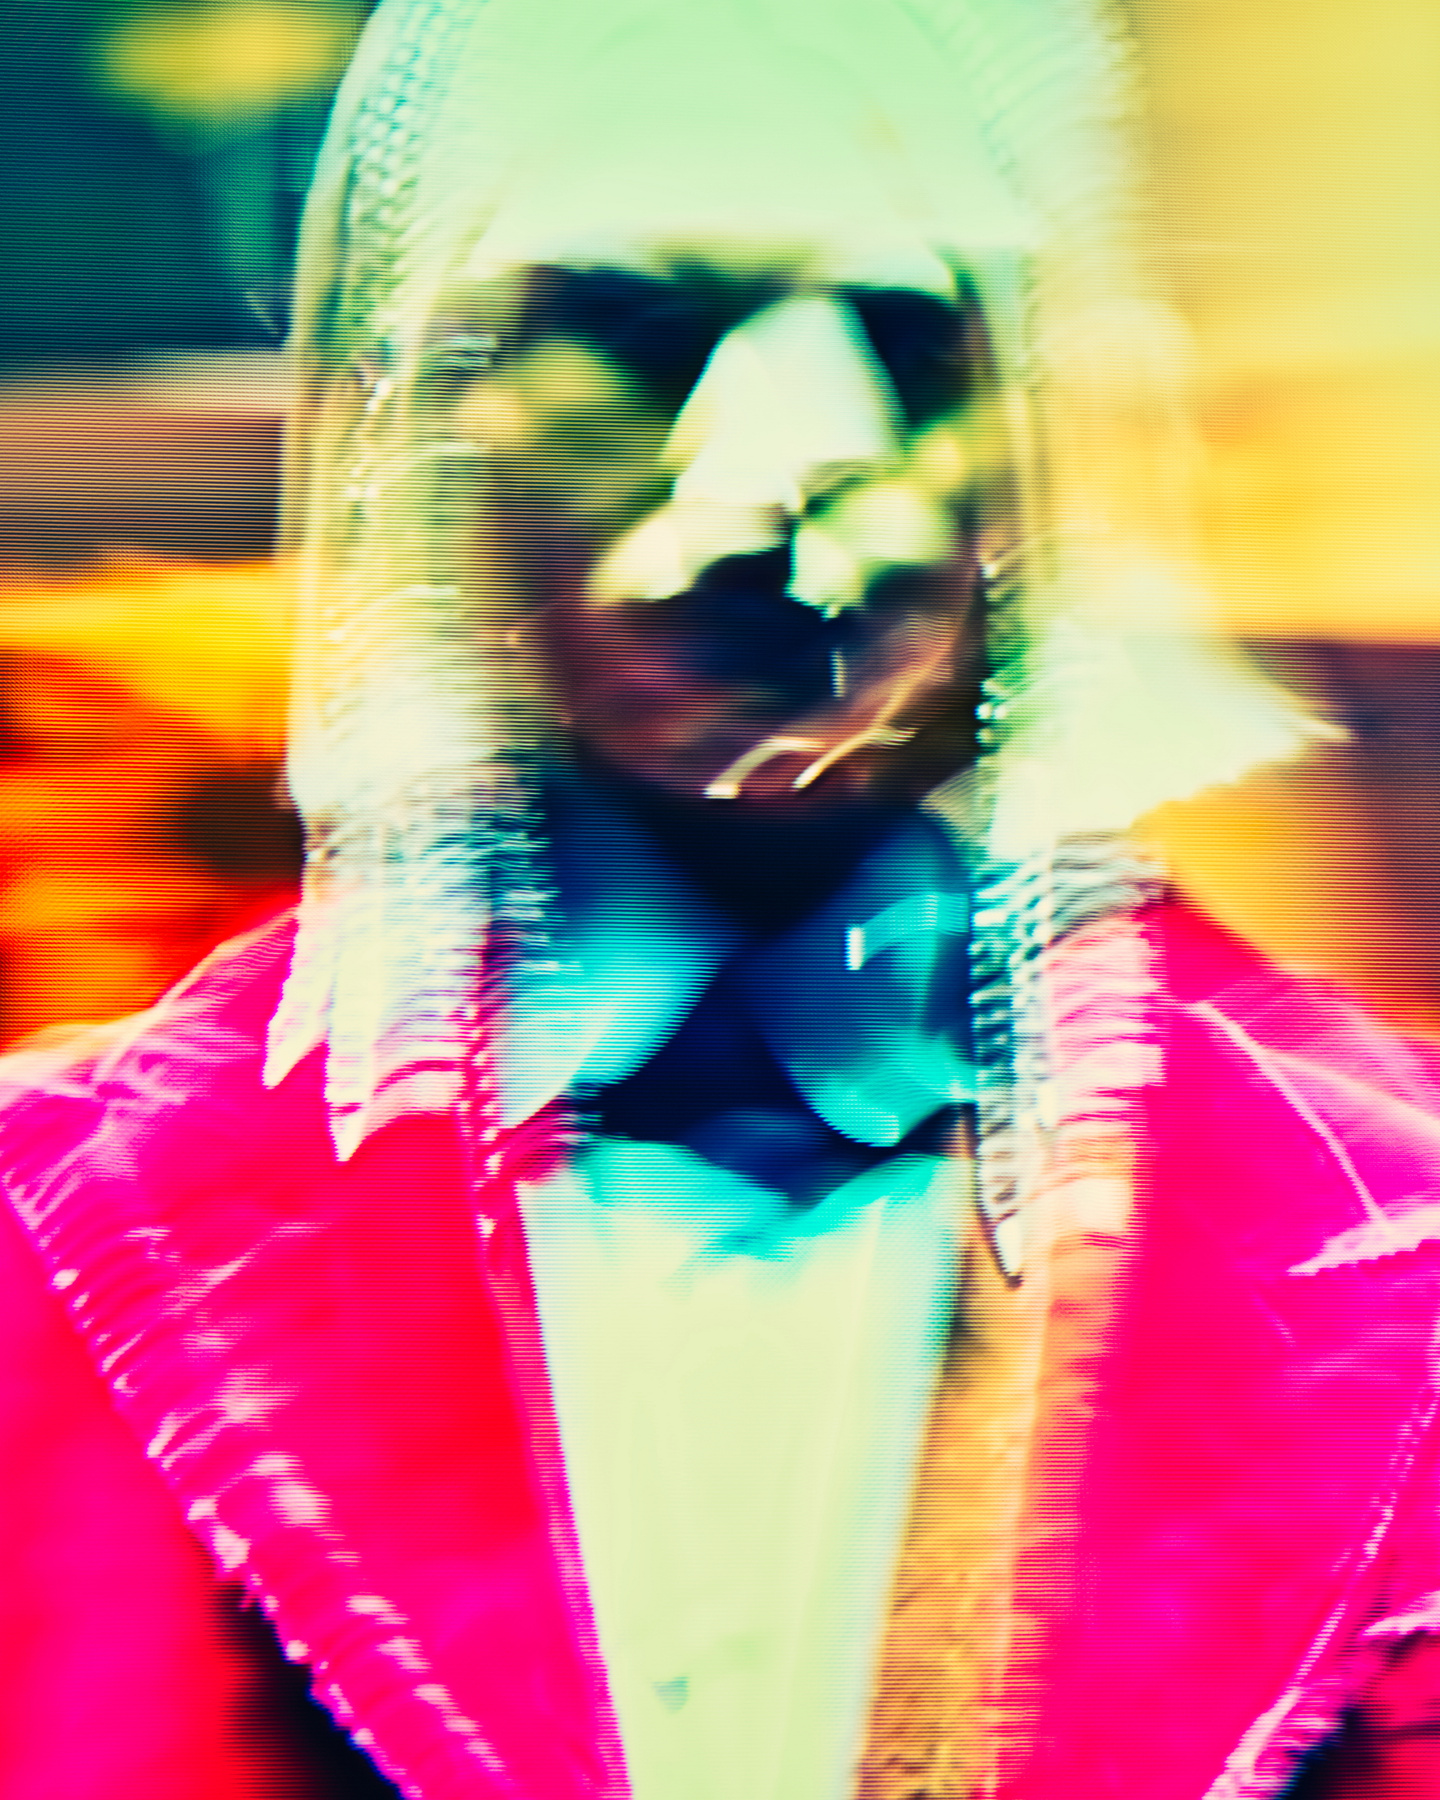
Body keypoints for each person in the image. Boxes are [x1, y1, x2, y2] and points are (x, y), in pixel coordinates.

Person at [6, 2, 1440, 1797]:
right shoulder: (59, 1252)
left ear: (1043, 431)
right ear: (428, 416)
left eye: (909, 345)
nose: (774, 473)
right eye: (634, 332)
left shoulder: (1385, 1258)